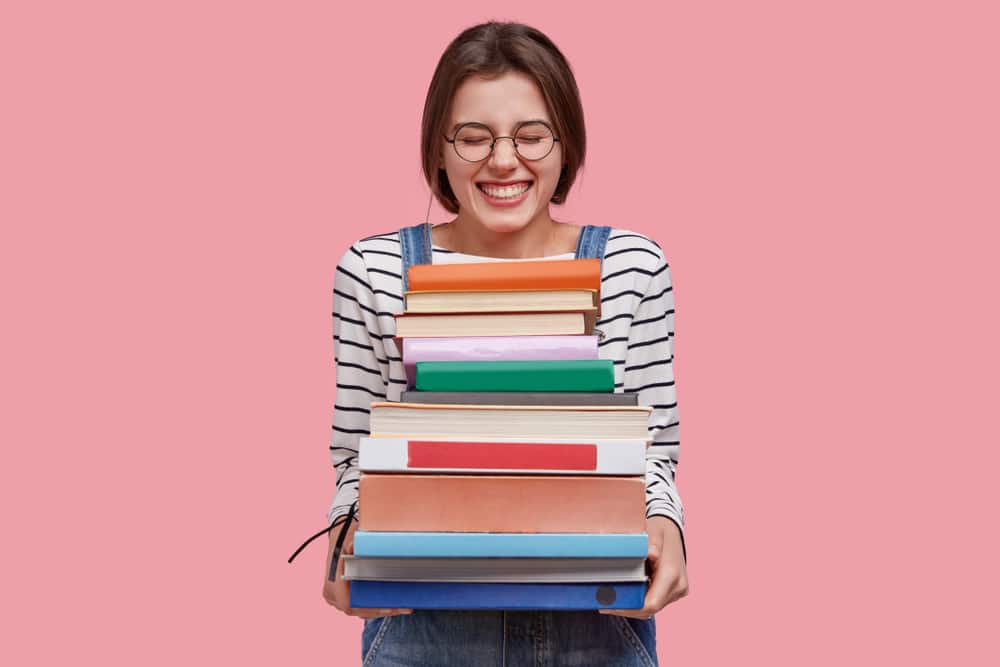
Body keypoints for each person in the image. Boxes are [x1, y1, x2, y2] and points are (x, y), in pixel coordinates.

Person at [322, 20, 688, 666]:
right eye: (473, 137)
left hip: (598, 622)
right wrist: (341, 537)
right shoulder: (373, 269)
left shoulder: (633, 264)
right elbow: (357, 454)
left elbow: (653, 454)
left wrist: (669, 527)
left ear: (566, 143)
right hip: (422, 624)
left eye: (531, 135)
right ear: (438, 148)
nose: (502, 160)